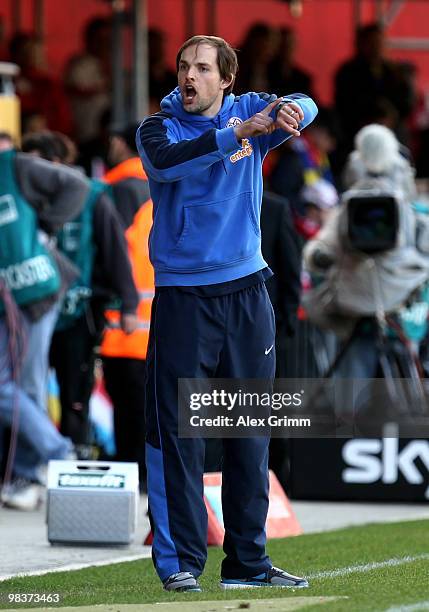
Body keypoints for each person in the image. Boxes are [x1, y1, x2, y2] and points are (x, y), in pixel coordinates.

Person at [136, 35, 317, 592]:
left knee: (249, 435)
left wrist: (292, 111)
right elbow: (168, 166)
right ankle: (180, 563)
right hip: (184, 299)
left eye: (202, 68)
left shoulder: (250, 111)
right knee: (180, 436)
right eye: (184, 67)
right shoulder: (157, 129)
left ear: (226, 79)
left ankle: (248, 565)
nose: (189, 76)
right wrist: (237, 134)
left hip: (246, 294)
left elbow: (305, 105)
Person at [21, 131, 139, 457]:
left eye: (38, 164)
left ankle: (70, 462)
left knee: (74, 393)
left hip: (77, 312)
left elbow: (116, 251)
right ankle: (24, 466)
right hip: (27, 311)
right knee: (23, 392)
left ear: (57, 164)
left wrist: (128, 303)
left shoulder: (92, 196)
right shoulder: (20, 198)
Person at [0, 146, 88, 510]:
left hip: (35, 292)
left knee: (26, 384)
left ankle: (49, 459)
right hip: (12, 298)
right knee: (17, 385)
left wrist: (45, 226)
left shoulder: (15, 165)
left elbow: (76, 185)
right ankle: (31, 472)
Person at [100, 123, 154, 487]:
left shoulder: (116, 191)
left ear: (120, 145)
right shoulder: (162, 186)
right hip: (159, 322)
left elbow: (110, 254)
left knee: (128, 413)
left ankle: (128, 476)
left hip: (123, 324)